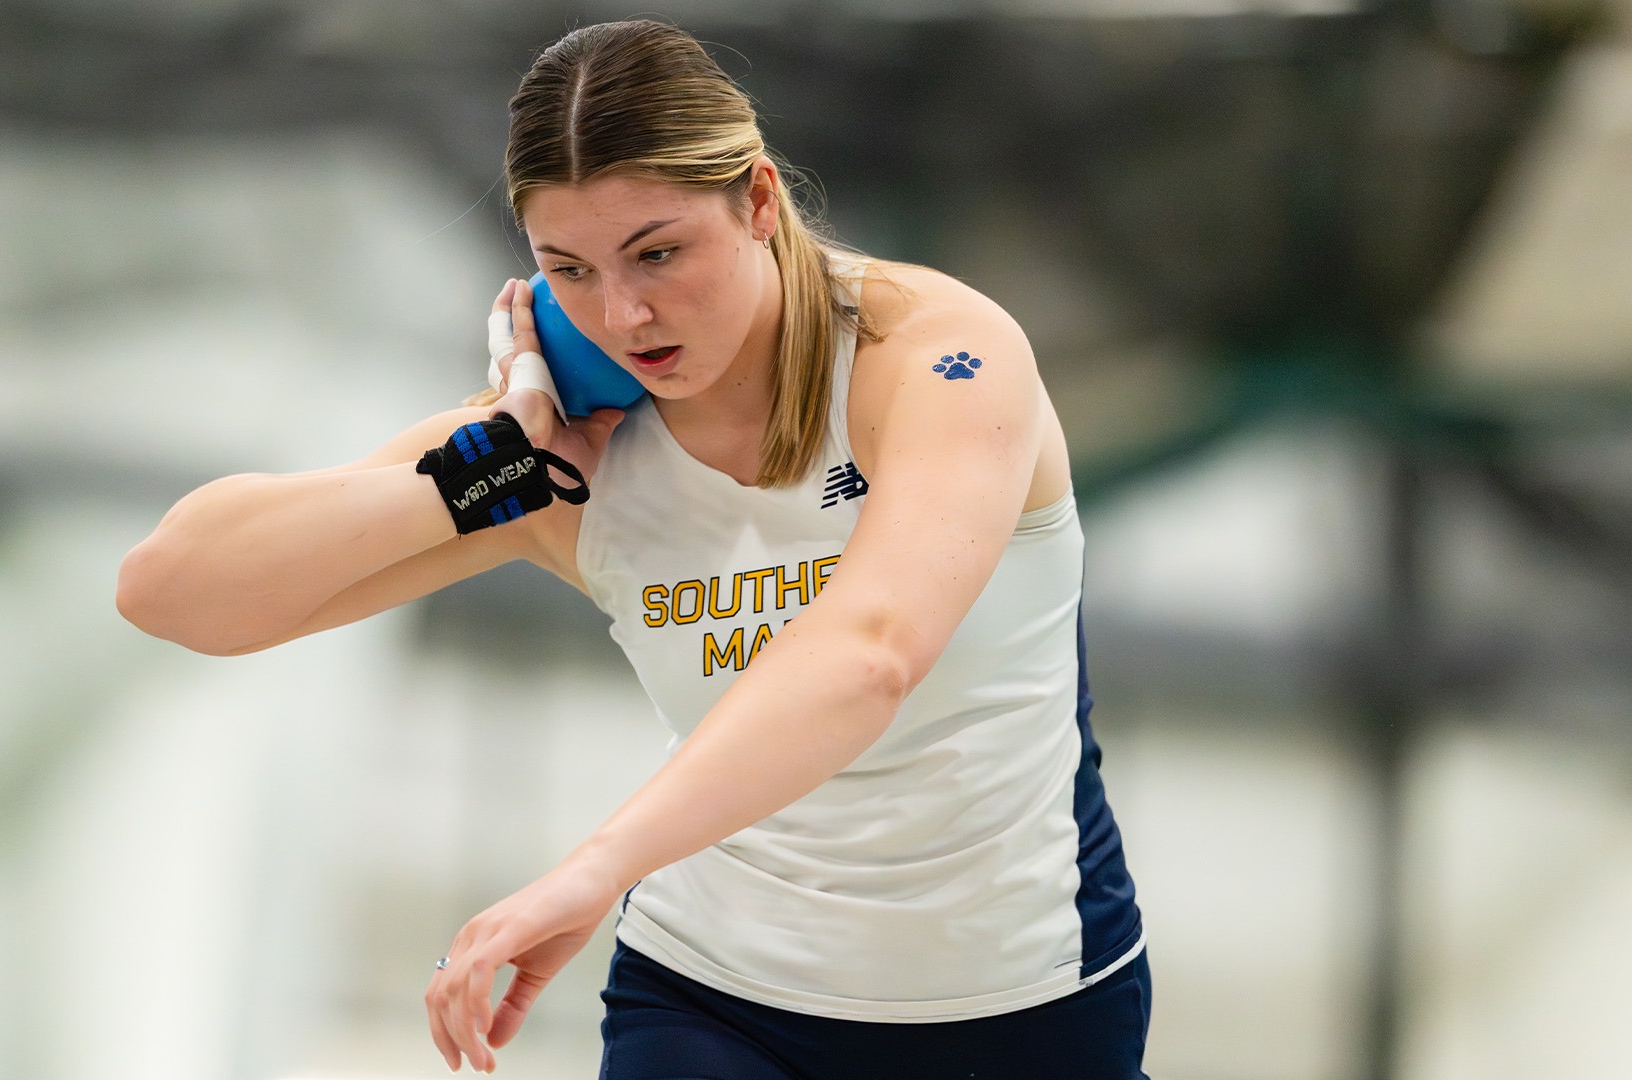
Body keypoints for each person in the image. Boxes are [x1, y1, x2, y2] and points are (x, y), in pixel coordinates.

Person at [117, 18, 1147, 1080]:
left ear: (757, 202)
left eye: (658, 253)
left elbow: (869, 654)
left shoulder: (935, 357)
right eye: (569, 270)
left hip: (1024, 999)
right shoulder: (566, 448)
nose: (625, 314)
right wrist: (500, 466)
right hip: (715, 997)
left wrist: (592, 869)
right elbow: (176, 592)